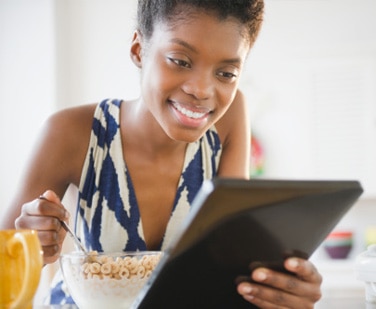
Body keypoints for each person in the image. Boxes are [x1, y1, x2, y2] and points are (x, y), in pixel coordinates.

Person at [1, 0, 322, 307]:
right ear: (139, 49)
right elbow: (4, 274)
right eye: (180, 61)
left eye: (225, 73)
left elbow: (229, 259)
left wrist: (277, 288)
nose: (201, 90)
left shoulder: (231, 116)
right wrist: (30, 246)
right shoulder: (71, 132)